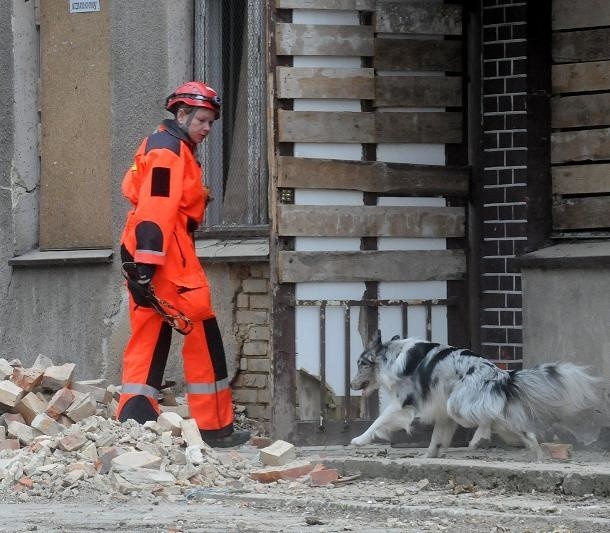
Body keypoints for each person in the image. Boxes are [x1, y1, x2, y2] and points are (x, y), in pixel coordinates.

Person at [116, 81, 250, 448]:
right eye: (202, 120)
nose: (207, 128)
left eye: (211, 121)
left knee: (150, 331)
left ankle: (134, 422)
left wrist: (139, 264)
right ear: (181, 114)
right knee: (202, 330)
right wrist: (147, 263)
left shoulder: (170, 147)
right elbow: (155, 207)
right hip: (166, 255)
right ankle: (215, 427)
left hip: (148, 251)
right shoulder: (168, 151)